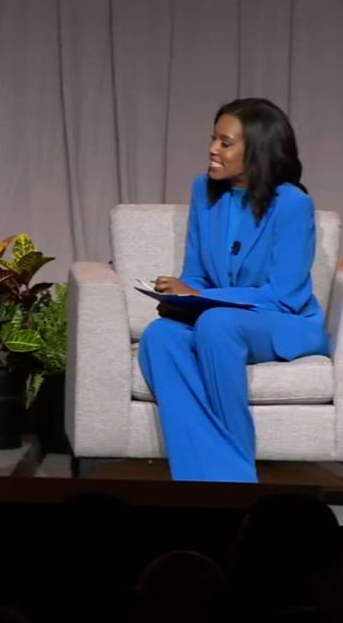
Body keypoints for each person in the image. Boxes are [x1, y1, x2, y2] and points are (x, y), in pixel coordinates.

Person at [138, 98, 327, 482]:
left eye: (225, 143)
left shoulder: (292, 204)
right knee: (161, 337)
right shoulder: (203, 191)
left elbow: (284, 295)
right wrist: (183, 297)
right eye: (213, 139)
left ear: (256, 151)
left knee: (218, 325)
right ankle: (205, 479)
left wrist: (203, 300)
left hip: (282, 321)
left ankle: (236, 485)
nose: (212, 150)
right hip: (217, 315)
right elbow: (198, 277)